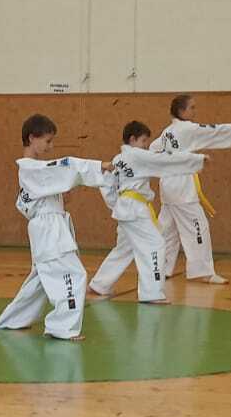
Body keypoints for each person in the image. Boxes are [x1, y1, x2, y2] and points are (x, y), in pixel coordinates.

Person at [0, 114, 108, 340]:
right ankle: (61, 327)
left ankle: (12, 320)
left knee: (39, 282)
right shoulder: (30, 168)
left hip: (49, 227)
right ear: (31, 138)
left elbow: (34, 200)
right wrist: (99, 166)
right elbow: (67, 164)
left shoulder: (36, 171)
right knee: (72, 275)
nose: (51, 146)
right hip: (49, 229)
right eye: (47, 141)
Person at [88, 121, 207, 303]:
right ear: (132, 139)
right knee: (155, 245)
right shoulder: (137, 156)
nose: (146, 145)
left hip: (125, 208)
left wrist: (117, 205)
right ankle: (151, 293)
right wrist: (196, 160)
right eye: (143, 140)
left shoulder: (117, 159)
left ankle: (100, 284)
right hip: (135, 209)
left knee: (124, 249)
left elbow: (106, 186)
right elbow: (164, 160)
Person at [151, 94, 231, 285]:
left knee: (167, 231)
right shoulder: (187, 129)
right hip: (182, 190)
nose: (195, 111)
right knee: (198, 227)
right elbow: (217, 131)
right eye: (192, 108)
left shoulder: (168, 132)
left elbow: (153, 148)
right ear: (181, 111)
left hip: (168, 187)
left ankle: (160, 269)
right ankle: (203, 272)